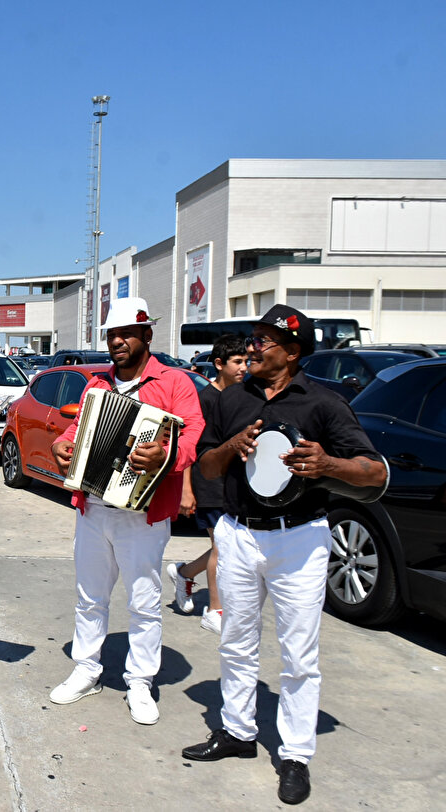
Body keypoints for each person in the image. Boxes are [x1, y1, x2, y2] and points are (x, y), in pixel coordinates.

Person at [181, 304, 386, 806]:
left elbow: (375, 472)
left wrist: (329, 464)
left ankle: (295, 755)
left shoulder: (324, 404)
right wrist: (231, 445)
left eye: (262, 341)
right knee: (236, 641)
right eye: (251, 339)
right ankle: (237, 731)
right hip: (237, 534)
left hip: (298, 539)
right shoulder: (231, 399)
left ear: (292, 353)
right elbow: (207, 467)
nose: (251, 348)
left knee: (298, 654)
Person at [48, 297, 203, 725]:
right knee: (89, 596)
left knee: (144, 601)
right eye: (112, 335)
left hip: (142, 514)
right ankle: (87, 670)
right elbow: (76, 429)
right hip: (93, 508)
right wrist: (63, 444)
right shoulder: (97, 385)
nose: (117, 342)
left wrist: (165, 456)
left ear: (147, 335)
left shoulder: (174, 383)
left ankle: (140, 681)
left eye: (126, 334)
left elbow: (193, 434)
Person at [169, 334, 248, 634]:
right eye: (237, 362)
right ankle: (215, 610)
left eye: (246, 361)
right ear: (219, 364)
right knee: (222, 548)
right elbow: (188, 447)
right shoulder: (204, 400)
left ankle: (184, 573)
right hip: (208, 482)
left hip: (233, 483)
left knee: (226, 546)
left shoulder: (240, 397)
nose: (244, 367)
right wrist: (186, 489)